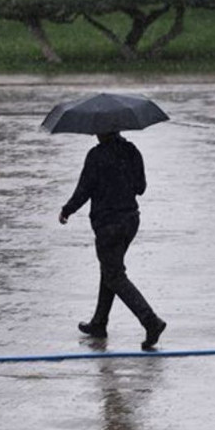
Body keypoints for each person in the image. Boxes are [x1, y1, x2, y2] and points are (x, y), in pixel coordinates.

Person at [59, 131, 167, 350]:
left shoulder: (96, 156)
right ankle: (99, 322)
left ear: (101, 132)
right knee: (110, 269)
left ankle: (151, 321)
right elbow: (141, 188)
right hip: (130, 221)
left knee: (115, 275)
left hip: (108, 225)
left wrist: (67, 210)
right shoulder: (132, 151)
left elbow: (84, 190)